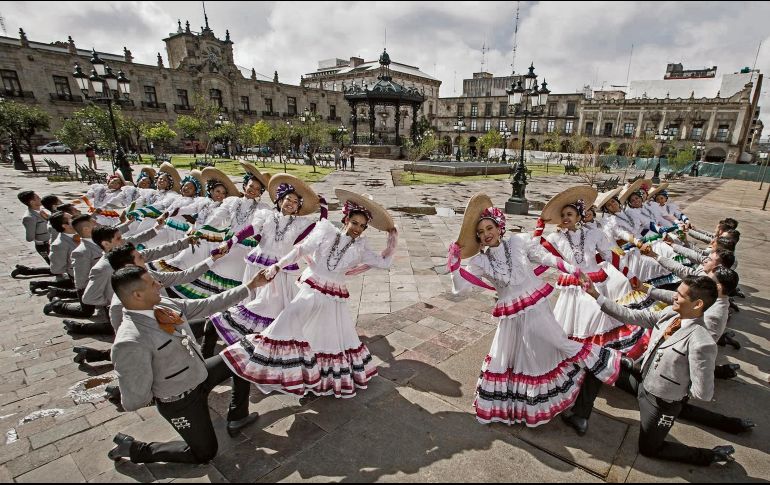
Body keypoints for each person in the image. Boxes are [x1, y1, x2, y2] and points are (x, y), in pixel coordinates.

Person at [447, 194, 624, 427]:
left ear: (500, 227)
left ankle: (609, 361)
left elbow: (545, 256)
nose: (486, 233)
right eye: (480, 232)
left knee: (558, 343)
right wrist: (454, 264)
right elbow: (460, 289)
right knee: (521, 360)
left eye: (489, 227)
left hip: (537, 308)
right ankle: (524, 408)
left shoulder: (519, 242)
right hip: (512, 319)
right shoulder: (480, 262)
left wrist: (571, 269)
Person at [220, 188, 397, 398]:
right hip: (311, 288)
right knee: (287, 320)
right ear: (346, 219)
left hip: (333, 298)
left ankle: (316, 377)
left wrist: (392, 240)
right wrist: (277, 266)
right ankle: (258, 364)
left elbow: (384, 263)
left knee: (325, 338)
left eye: (362, 226)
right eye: (354, 223)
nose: (357, 229)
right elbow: (300, 250)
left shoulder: (362, 248)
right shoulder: (326, 232)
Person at [569, 275, 740, 466]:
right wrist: (595, 295)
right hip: (642, 380)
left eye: (680, 295)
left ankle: (712, 455)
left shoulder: (702, 342)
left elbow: (703, 392)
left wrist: (674, 391)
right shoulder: (670, 314)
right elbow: (630, 315)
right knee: (598, 362)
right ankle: (580, 415)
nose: (674, 297)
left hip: (661, 401)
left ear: (698, 304)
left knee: (649, 448)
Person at [107, 266, 268, 464]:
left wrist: (251, 285)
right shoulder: (130, 341)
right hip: (180, 401)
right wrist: (163, 393)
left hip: (200, 373)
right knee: (205, 453)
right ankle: (134, 449)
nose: (159, 285)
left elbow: (207, 304)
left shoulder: (163, 304)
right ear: (138, 295)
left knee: (241, 358)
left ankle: (238, 416)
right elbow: (134, 400)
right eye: (152, 284)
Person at [207, 174, 322, 354]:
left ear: (298, 207)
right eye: (287, 199)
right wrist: (230, 242)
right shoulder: (265, 215)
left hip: (280, 270)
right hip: (257, 264)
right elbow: (250, 230)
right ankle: (244, 341)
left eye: (295, 201)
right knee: (252, 300)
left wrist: (323, 210)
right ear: (279, 200)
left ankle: (267, 343)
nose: (291, 203)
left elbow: (315, 231)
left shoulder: (300, 223)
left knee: (273, 306)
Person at [13, 190, 53, 278]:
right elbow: (29, 238)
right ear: (32, 202)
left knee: (60, 267)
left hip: (52, 242)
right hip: (44, 246)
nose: (40, 199)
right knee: (56, 269)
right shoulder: (29, 217)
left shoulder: (42, 211)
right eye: (38, 198)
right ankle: (25, 271)